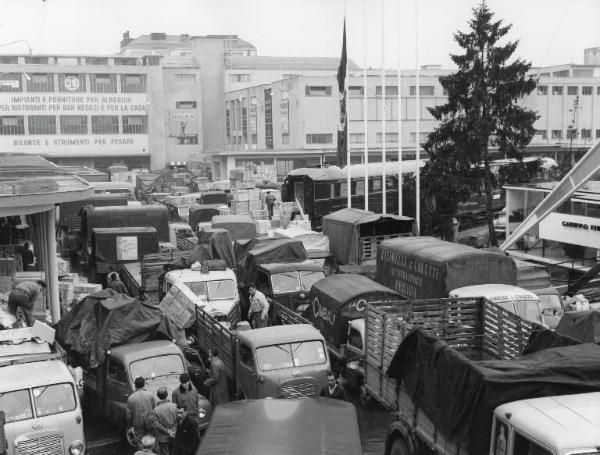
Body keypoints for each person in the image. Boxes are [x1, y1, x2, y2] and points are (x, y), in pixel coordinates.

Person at [127, 377, 156, 448]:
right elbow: (155, 409)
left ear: (135, 386)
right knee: (152, 440)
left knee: (140, 441)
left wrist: (129, 426)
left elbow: (129, 415)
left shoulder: (131, 398)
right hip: (150, 421)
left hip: (138, 423)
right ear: (144, 385)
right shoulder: (150, 395)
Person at [150, 387, 177, 455]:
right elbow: (179, 420)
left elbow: (156, 425)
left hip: (162, 437)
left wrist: (167, 431)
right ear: (167, 394)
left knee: (165, 452)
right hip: (175, 433)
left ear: (158, 396)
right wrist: (173, 430)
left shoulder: (156, 410)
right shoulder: (174, 406)